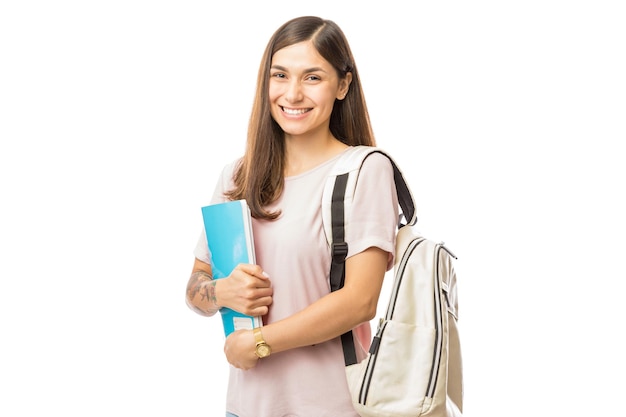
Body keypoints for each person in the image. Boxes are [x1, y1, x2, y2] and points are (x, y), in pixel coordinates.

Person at [185, 16, 399, 417]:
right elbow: (195, 287)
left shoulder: (363, 170)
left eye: (313, 77)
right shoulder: (238, 175)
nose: (293, 93)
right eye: (280, 75)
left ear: (343, 85)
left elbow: (360, 301)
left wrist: (261, 342)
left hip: (332, 406)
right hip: (246, 407)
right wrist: (221, 292)